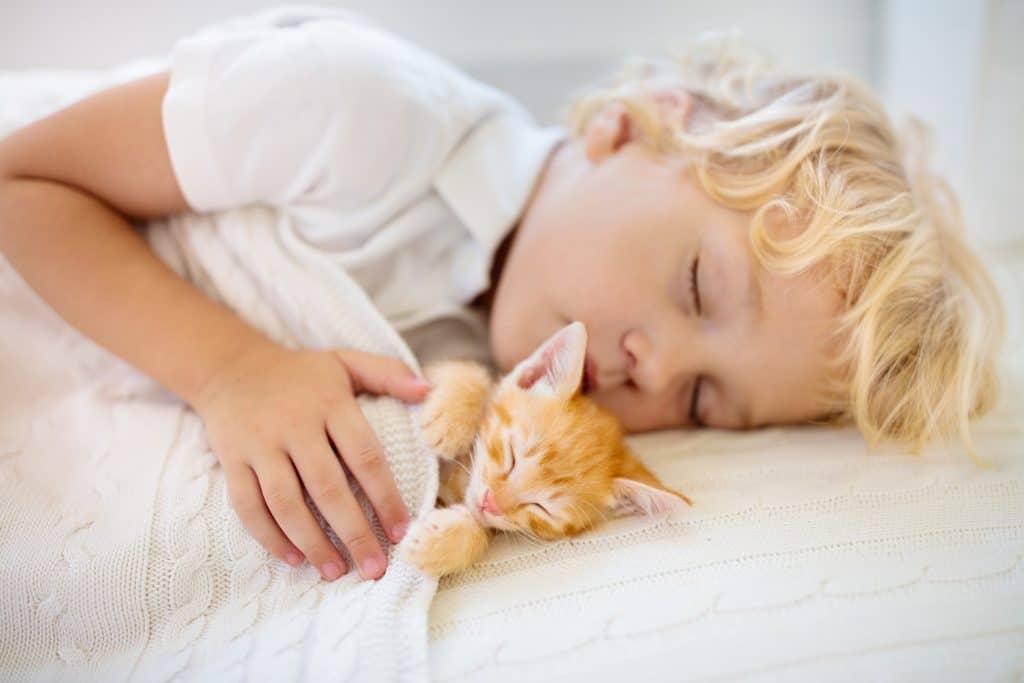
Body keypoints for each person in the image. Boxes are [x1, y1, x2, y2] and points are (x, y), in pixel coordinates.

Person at [0, 7, 1004, 583]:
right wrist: (230, 370)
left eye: (702, 398)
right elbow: (22, 182)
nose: (650, 372)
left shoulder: (485, 384)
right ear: (639, 123)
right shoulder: (360, 111)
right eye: (697, 288)